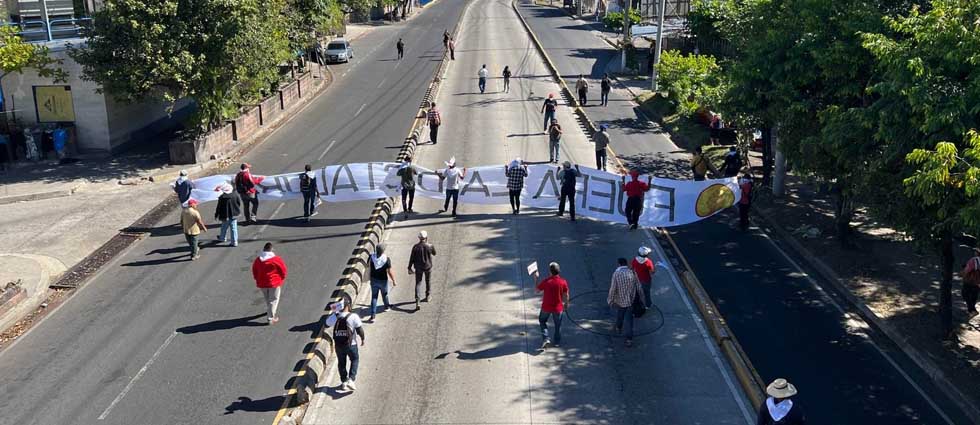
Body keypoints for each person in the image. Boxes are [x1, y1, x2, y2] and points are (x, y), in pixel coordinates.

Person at [532, 262, 569, 350]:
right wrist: (566, 304)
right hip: (558, 308)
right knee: (558, 325)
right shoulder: (563, 282)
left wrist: (536, 279)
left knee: (542, 321)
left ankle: (546, 338)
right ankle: (556, 342)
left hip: (546, 307)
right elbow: (566, 294)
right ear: (559, 271)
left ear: (550, 272)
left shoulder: (547, 281)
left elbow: (537, 290)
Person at [608, 257, 644, 347]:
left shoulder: (616, 274)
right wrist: (642, 299)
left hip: (621, 301)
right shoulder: (632, 272)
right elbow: (639, 287)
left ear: (619, 264)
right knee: (629, 321)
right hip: (631, 301)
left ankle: (618, 327)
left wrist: (610, 300)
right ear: (626, 264)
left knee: (620, 315)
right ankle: (629, 339)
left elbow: (613, 288)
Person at [330, 299, 365, 392]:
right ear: (347, 306)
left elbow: (327, 323)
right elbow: (359, 330)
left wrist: (335, 313)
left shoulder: (336, 316)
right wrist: (362, 339)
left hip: (338, 345)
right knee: (355, 359)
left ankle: (344, 381)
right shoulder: (353, 316)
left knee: (341, 363)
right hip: (351, 344)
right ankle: (351, 379)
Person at [252, 242, 287, 324]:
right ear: (271, 250)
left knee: (267, 298)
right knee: (274, 299)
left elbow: (254, 270)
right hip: (274, 283)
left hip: (262, 283)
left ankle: (269, 310)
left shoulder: (258, 260)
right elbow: (283, 270)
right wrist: (282, 278)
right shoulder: (276, 259)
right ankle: (271, 318)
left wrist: (257, 278)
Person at [408, 231, 437, 310]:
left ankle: (417, 300)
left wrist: (409, 268)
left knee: (418, 283)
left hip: (418, 268)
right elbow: (434, 253)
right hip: (428, 267)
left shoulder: (415, 247)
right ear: (426, 237)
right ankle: (428, 296)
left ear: (419, 238)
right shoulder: (430, 246)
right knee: (428, 281)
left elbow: (412, 258)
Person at [368, 244, 396, 321]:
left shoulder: (371, 257)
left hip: (373, 280)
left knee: (374, 297)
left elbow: (368, 266)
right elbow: (389, 272)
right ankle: (387, 306)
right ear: (383, 251)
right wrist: (393, 280)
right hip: (383, 280)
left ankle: (373, 316)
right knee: (385, 294)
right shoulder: (386, 259)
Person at [960, 247, 980, 318]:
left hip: (970, 280)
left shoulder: (974, 260)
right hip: (978, 282)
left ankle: (972, 310)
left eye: (975, 251)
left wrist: (962, 274)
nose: (974, 252)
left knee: (965, 294)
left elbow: (967, 270)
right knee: (974, 296)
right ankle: (971, 311)